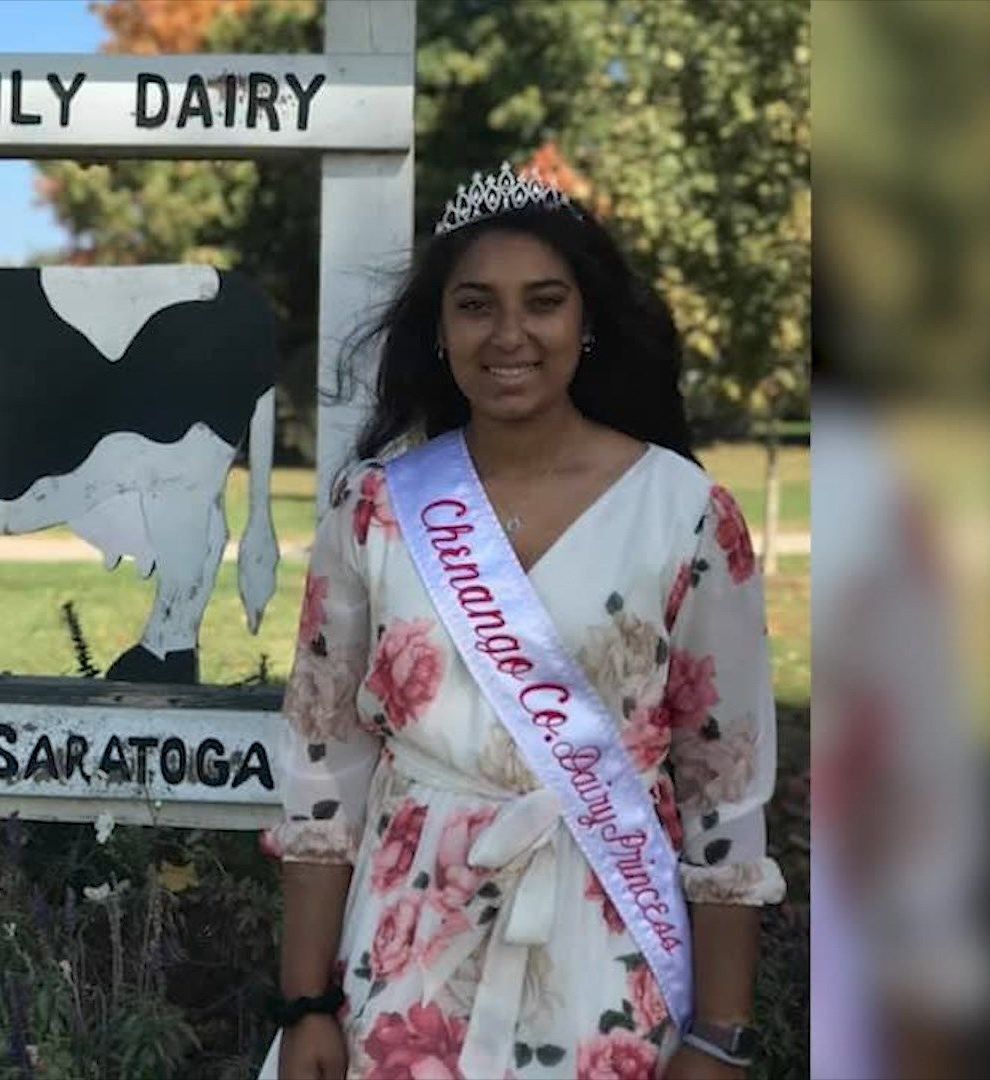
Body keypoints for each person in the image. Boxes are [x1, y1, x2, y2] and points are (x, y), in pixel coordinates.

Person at [262, 164, 784, 1080]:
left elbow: (724, 789)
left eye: (543, 302)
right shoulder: (376, 508)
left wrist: (721, 1037)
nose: (510, 335)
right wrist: (306, 1003)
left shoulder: (685, 512)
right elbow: (322, 769)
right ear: (440, 329)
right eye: (475, 306)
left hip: (609, 953)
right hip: (406, 947)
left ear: (587, 322)